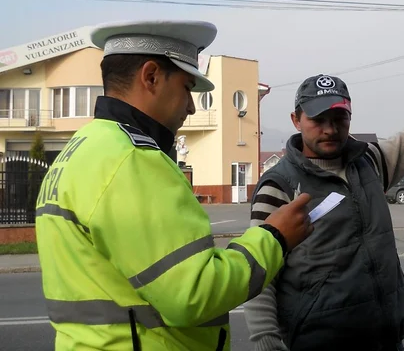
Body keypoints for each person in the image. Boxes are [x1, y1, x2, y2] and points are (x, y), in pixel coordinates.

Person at [34, 20, 314, 351]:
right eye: (186, 88)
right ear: (151, 77)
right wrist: (275, 237)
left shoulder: (80, 149)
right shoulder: (132, 159)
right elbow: (194, 294)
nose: (192, 107)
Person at [244, 74, 404, 351]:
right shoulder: (278, 186)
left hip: (387, 341)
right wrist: (266, 340)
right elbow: (259, 271)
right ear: (296, 120)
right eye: (318, 119)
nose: (329, 129)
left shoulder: (370, 163)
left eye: (339, 119)